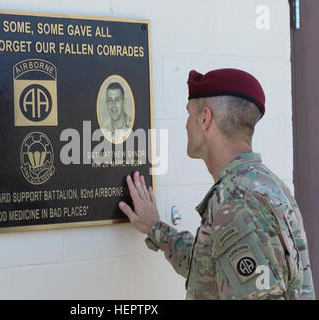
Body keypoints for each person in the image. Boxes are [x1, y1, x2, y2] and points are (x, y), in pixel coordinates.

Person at [118, 68, 315, 300]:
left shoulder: (237, 200)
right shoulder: (265, 184)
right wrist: (156, 228)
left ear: (204, 118)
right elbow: (212, 270)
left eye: (189, 114)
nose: (186, 125)